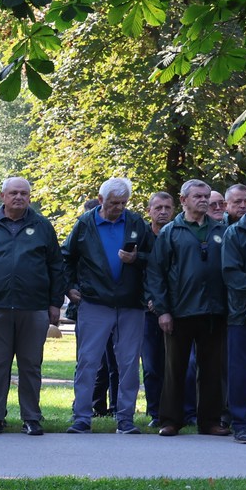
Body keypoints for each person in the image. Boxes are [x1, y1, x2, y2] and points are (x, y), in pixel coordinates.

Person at [0, 176, 63, 437]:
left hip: (33, 308)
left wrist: (55, 303)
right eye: (13, 193)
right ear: (2, 196)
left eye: (23, 193)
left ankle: (31, 417)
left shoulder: (42, 226)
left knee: (30, 365)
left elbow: (56, 266)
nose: (18, 197)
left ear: (29, 197)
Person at [61, 177, 151, 435]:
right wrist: (69, 287)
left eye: (123, 203)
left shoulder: (135, 223)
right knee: (88, 361)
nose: (119, 208)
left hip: (130, 303)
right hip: (94, 301)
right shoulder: (85, 224)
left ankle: (125, 419)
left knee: (129, 363)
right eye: (113, 203)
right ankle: (81, 417)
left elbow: (153, 258)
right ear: (100, 200)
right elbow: (66, 257)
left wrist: (136, 258)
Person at [145, 179, 231, 437]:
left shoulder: (222, 229)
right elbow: (156, 274)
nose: (204, 200)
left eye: (206, 196)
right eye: (198, 196)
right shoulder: (171, 231)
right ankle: (170, 420)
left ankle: (210, 421)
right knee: (174, 369)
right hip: (179, 311)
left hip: (215, 311)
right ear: (183, 200)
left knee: (212, 370)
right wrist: (163, 311)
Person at [222, 184, 246, 444]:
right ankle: (242, 423)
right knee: (242, 372)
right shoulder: (235, 234)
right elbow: (232, 273)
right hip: (244, 315)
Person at [141, 191, 175, 425]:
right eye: (158, 208)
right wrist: (149, 299)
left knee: (179, 365)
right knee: (152, 365)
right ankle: (154, 412)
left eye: (167, 208)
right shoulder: (141, 236)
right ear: (149, 211)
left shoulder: (178, 235)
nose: (163, 212)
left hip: (175, 309)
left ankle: (179, 410)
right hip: (146, 310)